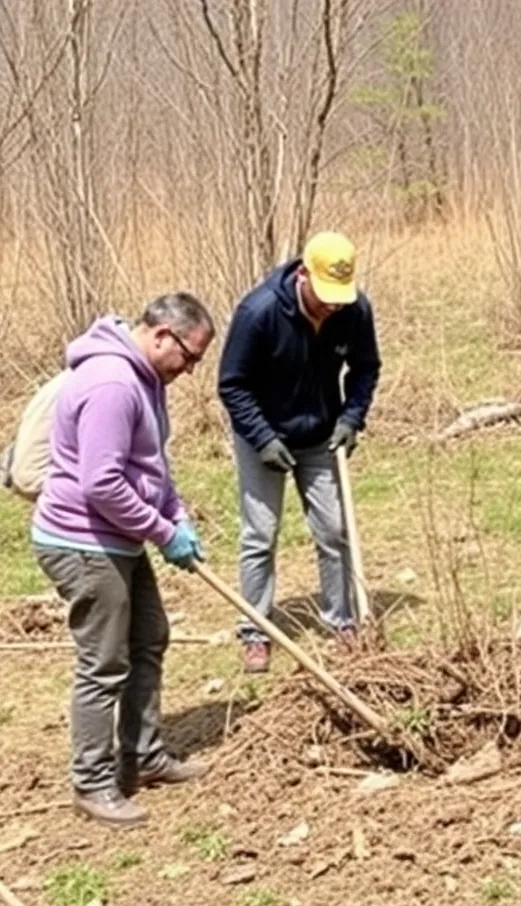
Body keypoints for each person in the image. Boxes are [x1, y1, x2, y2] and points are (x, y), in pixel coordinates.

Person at [32, 295, 214, 829]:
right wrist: (162, 533)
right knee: (104, 661)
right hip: (83, 541)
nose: (190, 369)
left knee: (150, 635)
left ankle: (142, 755)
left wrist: (175, 513)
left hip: (118, 538)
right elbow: (102, 482)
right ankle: (91, 782)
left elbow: (151, 462)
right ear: (161, 336)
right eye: (190, 357)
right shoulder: (112, 384)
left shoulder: (147, 379)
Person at [218, 231, 381, 673]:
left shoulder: (354, 310)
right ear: (303, 273)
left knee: (334, 531)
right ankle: (256, 630)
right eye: (325, 296)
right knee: (260, 535)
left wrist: (351, 417)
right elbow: (232, 384)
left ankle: (341, 620)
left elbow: (366, 368)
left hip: (322, 435)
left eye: (339, 298)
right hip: (262, 436)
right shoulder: (259, 312)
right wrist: (263, 439)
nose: (332, 305)